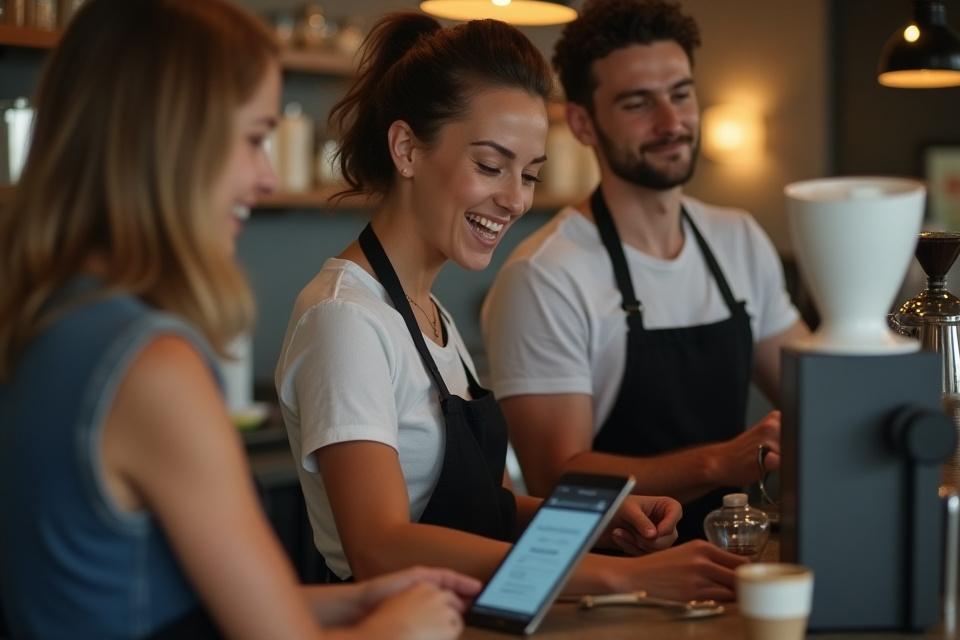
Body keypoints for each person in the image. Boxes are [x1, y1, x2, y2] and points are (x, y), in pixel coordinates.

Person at [0, 1, 480, 638]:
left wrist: (346, 605)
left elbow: (138, 598)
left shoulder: (47, 316)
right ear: (172, 138)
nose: (267, 177)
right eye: (255, 139)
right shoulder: (150, 365)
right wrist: (400, 628)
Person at [275, 11, 746, 603]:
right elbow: (382, 547)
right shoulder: (345, 319)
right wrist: (625, 577)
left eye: (528, 174)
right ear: (406, 149)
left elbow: (487, 512)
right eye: (490, 166)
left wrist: (597, 521)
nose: (515, 198)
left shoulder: (430, 314)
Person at [480, 0, 811, 542]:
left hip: (734, 557)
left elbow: (809, 387)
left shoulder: (738, 238)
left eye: (681, 94)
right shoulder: (545, 275)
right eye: (638, 103)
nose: (671, 121)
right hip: (615, 582)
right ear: (583, 123)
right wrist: (716, 464)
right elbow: (553, 479)